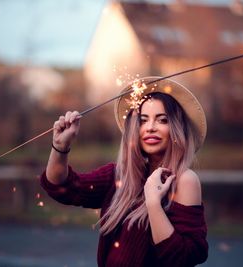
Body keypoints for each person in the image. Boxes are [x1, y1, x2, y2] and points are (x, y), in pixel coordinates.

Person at [40, 77, 208, 267]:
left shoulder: (184, 180)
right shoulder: (117, 176)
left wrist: (153, 203)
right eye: (143, 121)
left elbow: (186, 256)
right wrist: (60, 146)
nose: (151, 127)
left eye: (162, 120)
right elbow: (62, 187)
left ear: (176, 128)